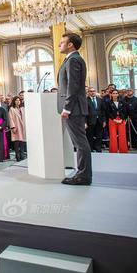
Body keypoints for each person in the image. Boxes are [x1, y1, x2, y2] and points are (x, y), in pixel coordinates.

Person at [58, 32, 91, 185]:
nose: (59, 44)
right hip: (75, 107)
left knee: (80, 143)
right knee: (79, 143)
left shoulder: (73, 60)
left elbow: (73, 86)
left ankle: (83, 176)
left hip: (74, 108)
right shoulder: (71, 59)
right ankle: (82, 173)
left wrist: (67, 108)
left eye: (62, 42)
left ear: (70, 44)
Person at [105, 89, 128, 153]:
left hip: (121, 120)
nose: (115, 95)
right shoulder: (108, 102)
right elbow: (108, 112)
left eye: (116, 93)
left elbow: (125, 112)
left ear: (118, 94)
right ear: (111, 94)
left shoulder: (122, 102)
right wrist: (114, 119)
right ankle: (113, 150)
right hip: (112, 120)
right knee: (113, 136)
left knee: (122, 135)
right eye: (113, 93)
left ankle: (123, 150)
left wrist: (122, 119)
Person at [86, 87, 104, 153]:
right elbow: (84, 112)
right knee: (90, 136)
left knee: (99, 135)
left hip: (99, 120)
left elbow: (103, 111)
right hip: (90, 121)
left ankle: (98, 148)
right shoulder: (86, 100)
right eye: (91, 91)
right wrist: (85, 123)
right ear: (88, 92)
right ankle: (90, 149)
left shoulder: (99, 100)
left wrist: (104, 120)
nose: (92, 92)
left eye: (94, 91)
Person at [8, 97, 26, 162]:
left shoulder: (22, 109)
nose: (18, 102)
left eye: (19, 100)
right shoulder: (12, 109)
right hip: (16, 127)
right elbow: (10, 119)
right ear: (14, 101)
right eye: (16, 100)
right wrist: (13, 127)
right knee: (16, 142)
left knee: (22, 142)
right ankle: (17, 156)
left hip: (22, 127)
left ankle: (22, 155)